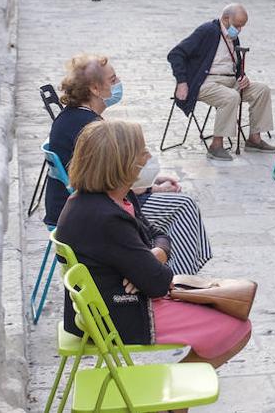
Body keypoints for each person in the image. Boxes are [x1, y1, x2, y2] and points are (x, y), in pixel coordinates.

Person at [55, 120, 250, 368]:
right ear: (121, 162)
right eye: (142, 151)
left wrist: (156, 253)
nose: (148, 156)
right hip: (118, 315)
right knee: (237, 329)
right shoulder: (106, 217)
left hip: (109, 305)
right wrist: (149, 264)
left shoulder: (111, 198)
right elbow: (158, 282)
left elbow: (157, 233)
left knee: (227, 313)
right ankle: (174, 402)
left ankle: (176, 398)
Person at [49, 54, 211, 275]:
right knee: (183, 206)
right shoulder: (88, 127)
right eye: (113, 80)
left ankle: (162, 269)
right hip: (91, 213)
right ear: (95, 89)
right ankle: (174, 279)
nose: (118, 84)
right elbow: (105, 184)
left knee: (173, 208)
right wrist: (152, 188)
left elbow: (108, 175)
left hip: (80, 205)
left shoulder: (72, 117)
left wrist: (151, 184)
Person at [167, 3, 275, 162]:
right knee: (231, 97)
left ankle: (254, 139)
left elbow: (234, 63)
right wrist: (182, 82)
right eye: (237, 25)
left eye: (242, 26)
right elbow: (175, 54)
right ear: (226, 18)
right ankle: (216, 145)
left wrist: (242, 76)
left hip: (229, 80)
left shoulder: (232, 36)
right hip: (206, 82)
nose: (239, 30)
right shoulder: (208, 31)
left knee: (262, 90)